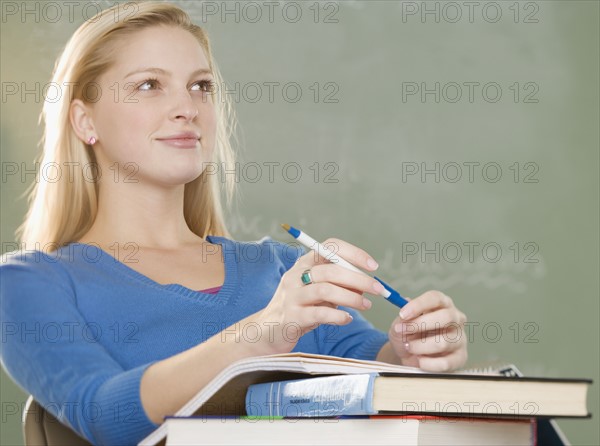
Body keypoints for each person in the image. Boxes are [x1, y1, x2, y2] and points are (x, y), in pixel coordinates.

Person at [0, 2, 467, 445]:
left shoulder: (283, 270)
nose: (188, 107)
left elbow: (371, 369)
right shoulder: (30, 282)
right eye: (149, 85)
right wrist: (262, 334)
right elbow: (104, 417)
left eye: (200, 85)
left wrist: (411, 353)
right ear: (85, 120)